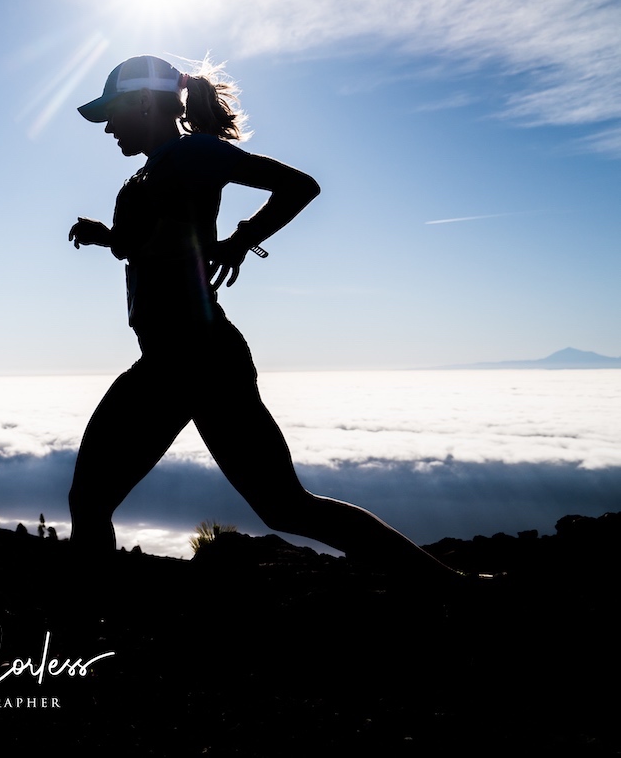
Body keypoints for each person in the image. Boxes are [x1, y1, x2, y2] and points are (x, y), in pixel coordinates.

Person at [67, 54, 456, 579]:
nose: (107, 126)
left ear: (142, 102)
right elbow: (161, 244)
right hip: (186, 358)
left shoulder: (192, 153)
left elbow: (300, 185)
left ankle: (94, 624)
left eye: (112, 112)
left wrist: (243, 238)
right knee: (284, 506)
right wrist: (109, 238)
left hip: (191, 357)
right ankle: (453, 588)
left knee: (95, 500)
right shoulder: (158, 166)